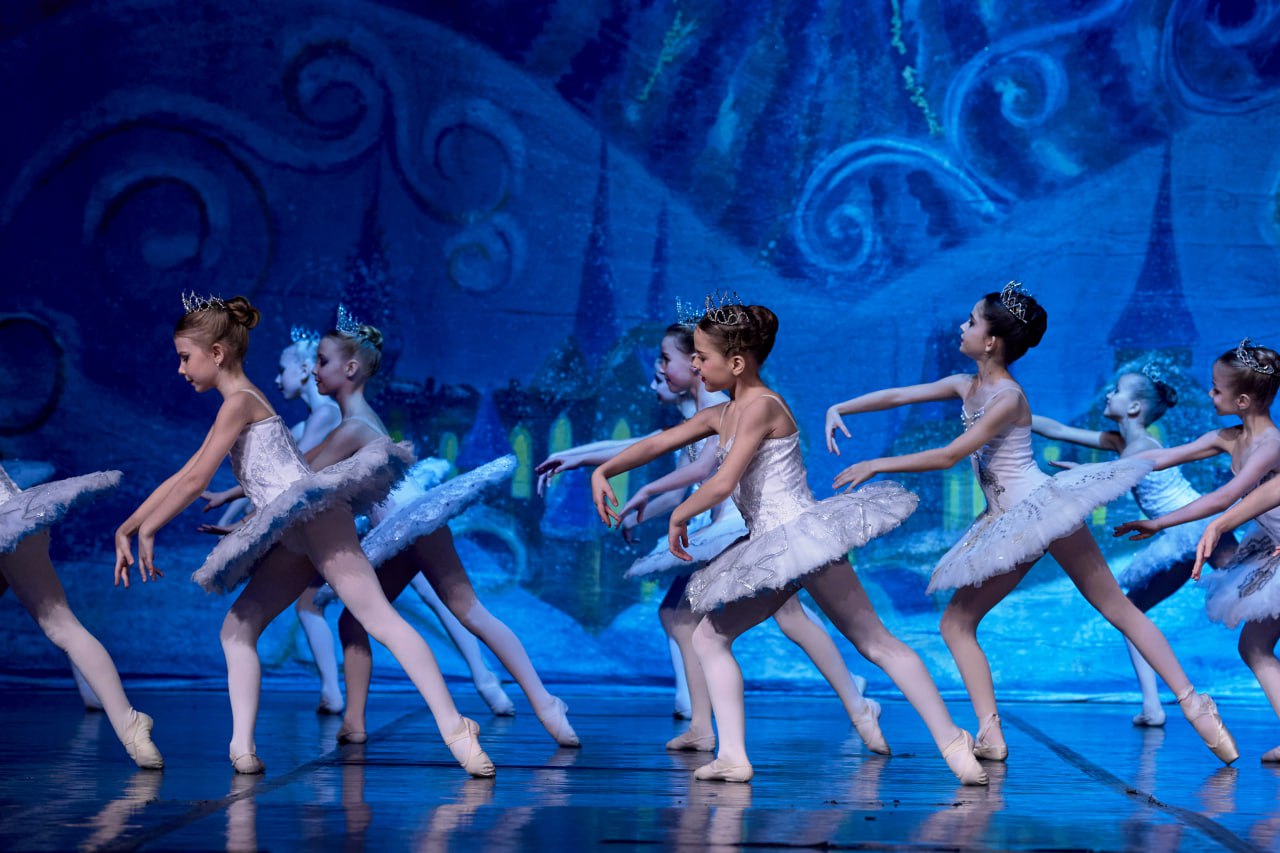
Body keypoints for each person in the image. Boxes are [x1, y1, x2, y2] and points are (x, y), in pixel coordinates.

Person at [826, 282, 1237, 766]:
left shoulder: (1008, 397)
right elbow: (900, 394)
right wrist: (841, 406)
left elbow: (951, 455)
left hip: (1038, 510)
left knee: (1111, 608)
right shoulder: (965, 385)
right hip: (1012, 518)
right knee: (959, 623)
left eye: (971, 321)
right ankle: (992, 734)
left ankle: (1194, 706)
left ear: (991, 341)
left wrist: (877, 463)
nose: (962, 326)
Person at [592, 295, 987, 785]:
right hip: (773, 546)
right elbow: (658, 443)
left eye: (702, 357)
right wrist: (605, 470)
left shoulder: (763, 406)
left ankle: (951, 740)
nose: (694, 365)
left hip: (800, 536)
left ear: (737, 363)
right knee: (710, 636)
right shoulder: (724, 414)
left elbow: (722, 481)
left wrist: (680, 515)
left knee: (874, 642)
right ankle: (732, 756)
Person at [114, 293, 494, 776]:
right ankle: (242, 750)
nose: (181, 369)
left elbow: (193, 480)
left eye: (186, 358)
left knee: (378, 618)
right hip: (295, 528)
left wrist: (148, 529)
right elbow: (186, 473)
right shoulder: (239, 403)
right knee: (238, 628)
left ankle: (457, 729)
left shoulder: (240, 401)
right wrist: (130, 526)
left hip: (314, 517)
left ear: (217, 353)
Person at [302, 311, 577, 748]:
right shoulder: (353, 421)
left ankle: (545, 703)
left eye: (321, 361)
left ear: (350, 368)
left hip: (412, 524)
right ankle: (353, 722)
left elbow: (303, 480)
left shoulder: (353, 425)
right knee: (357, 622)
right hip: (397, 533)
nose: (313, 370)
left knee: (468, 612)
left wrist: (247, 508)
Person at [1031, 363, 1237, 726]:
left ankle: (1155, 704)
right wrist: (1012, 414)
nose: (1108, 394)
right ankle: (1152, 706)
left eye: (1117, 390)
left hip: (1195, 528)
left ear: (1134, 408)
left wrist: (1083, 474)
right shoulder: (1120, 441)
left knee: (1256, 595)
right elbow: (1058, 429)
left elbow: (1111, 482)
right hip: (1182, 534)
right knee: (1130, 613)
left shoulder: (1141, 446)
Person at [1142, 339, 1280, 763]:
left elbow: (1226, 498)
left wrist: (1162, 522)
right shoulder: (1228, 438)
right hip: (1272, 549)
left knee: (1255, 645)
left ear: (1242, 401)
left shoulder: (1271, 444)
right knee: (1254, 646)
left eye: (1217, 390)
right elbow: (1160, 459)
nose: (1209, 394)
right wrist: (1096, 475)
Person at [201, 327, 346, 714]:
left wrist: (239, 523)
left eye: (283, 370)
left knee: (317, 606)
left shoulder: (327, 415)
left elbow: (288, 477)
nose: (278, 380)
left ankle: (334, 692)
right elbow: (264, 478)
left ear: (305, 369)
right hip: (315, 523)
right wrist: (228, 512)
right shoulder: (305, 425)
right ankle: (332, 692)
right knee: (311, 606)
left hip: (336, 521)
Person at [0, 463, 163, 768]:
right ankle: (129, 724)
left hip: (10, 522)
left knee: (62, 626)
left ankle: (129, 722)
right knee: (64, 627)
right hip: (19, 519)